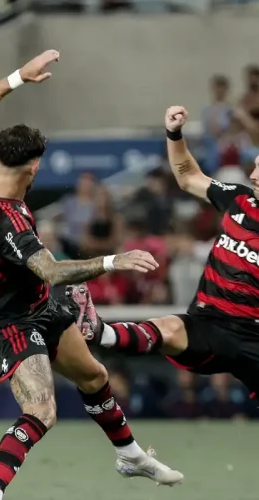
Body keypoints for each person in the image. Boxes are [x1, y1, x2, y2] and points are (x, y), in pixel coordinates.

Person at [0, 50, 183, 500]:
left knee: (95, 378)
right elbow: (50, 269)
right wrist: (110, 262)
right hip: (13, 320)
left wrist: (18, 78)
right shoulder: (11, 220)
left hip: (43, 306)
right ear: (34, 167)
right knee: (42, 411)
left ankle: (131, 456)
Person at [71, 105, 259, 412]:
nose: (253, 175)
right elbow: (188, 177)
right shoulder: (237, 199)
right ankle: (98, 330)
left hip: (253, 335)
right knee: (168, 328)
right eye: (254, 166)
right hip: (208, 323)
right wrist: (174, 134)